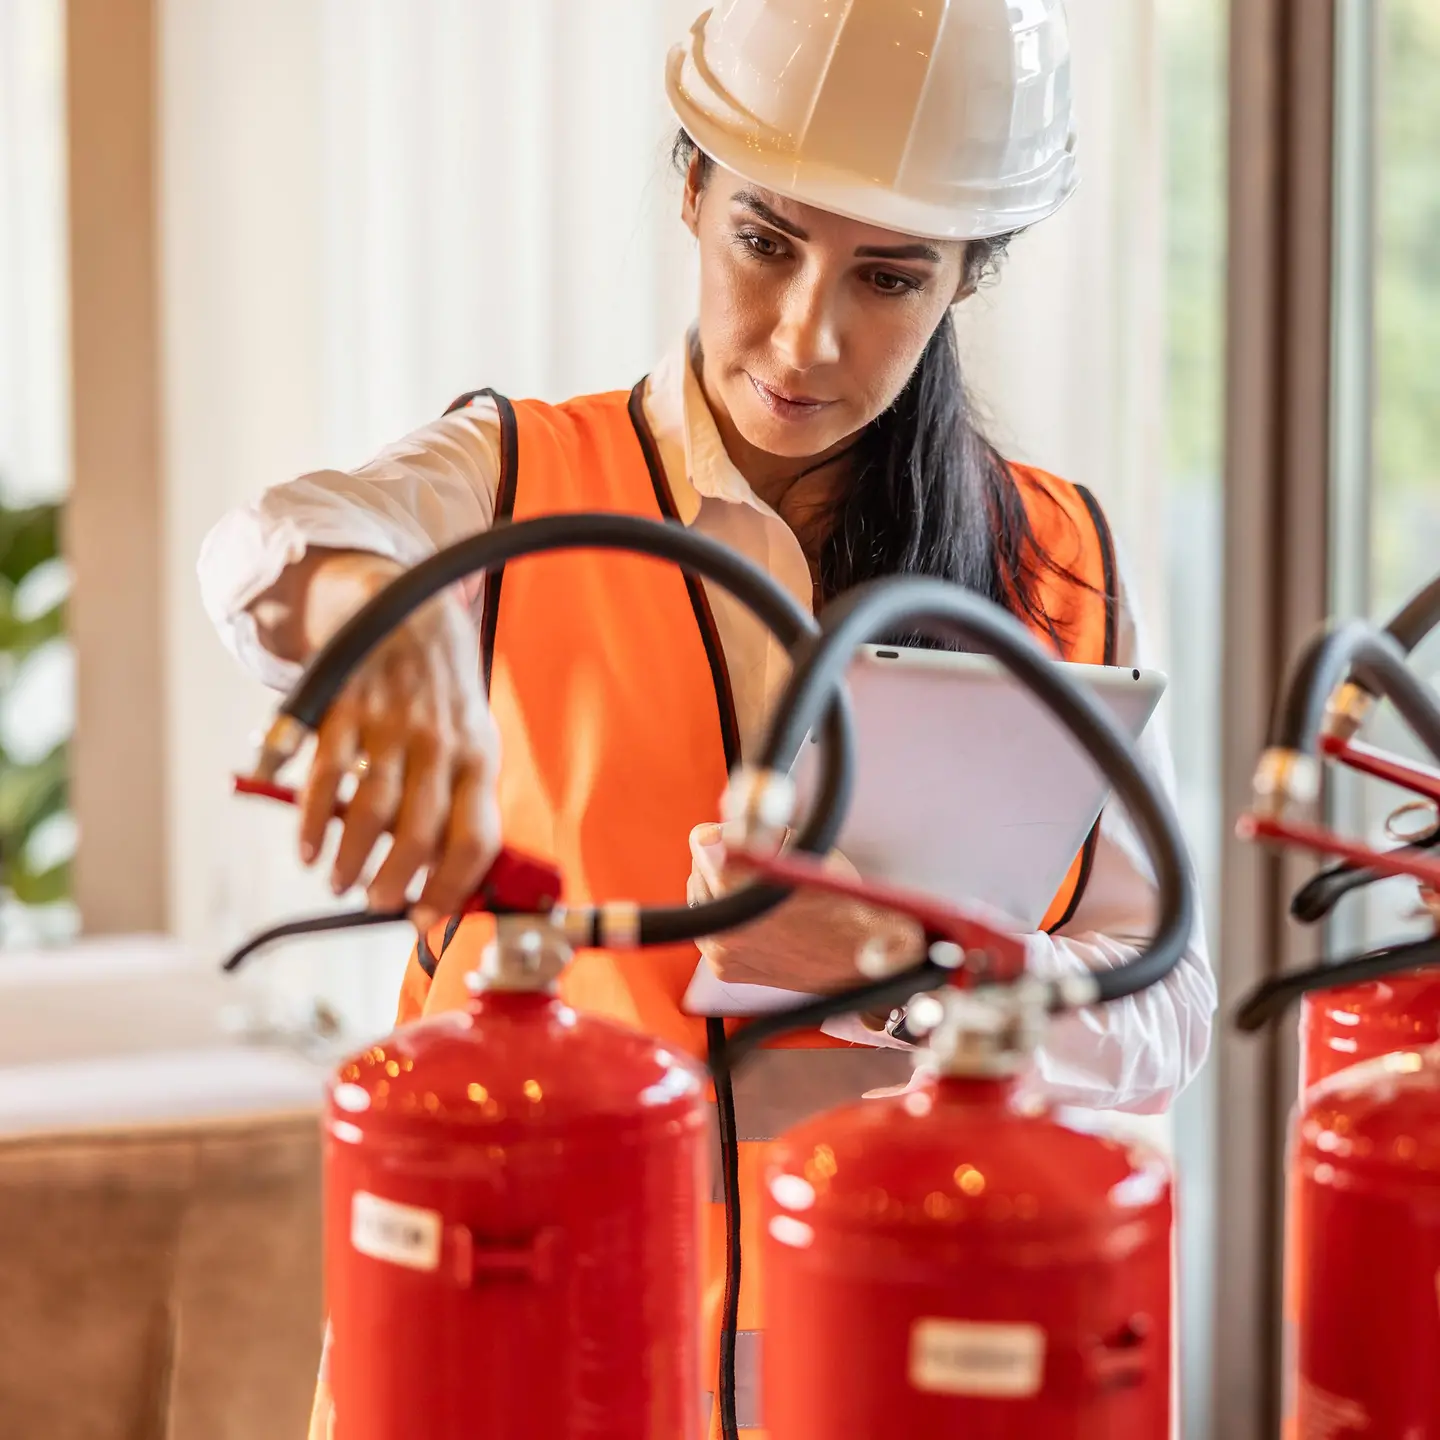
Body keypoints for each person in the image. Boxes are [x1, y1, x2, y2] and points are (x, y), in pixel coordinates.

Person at [199, 2, 1215, 1434]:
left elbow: (1165, 1003)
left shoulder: (1058, 564)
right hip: (539, 1337)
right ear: (691, 188)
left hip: (893, 1350)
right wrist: (396, 627)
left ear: (966, 281)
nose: (808, 333)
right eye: (765, 241)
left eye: (889, 277)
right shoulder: (517, 481)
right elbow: (266, 549)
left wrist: (906, 969)